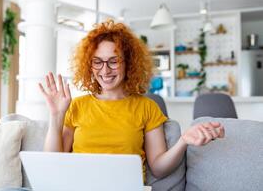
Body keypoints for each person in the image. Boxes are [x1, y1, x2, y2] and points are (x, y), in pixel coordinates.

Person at [39, 19, 225, 181]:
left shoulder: (147, 107)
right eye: (98, 61)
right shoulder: (77, 106)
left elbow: (159, 169)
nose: (105, 70)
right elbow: (53, 164)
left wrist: (183, 141)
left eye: (114, 61)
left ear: (128, 63)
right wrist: (56, 116)